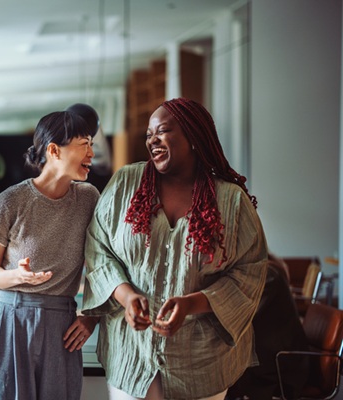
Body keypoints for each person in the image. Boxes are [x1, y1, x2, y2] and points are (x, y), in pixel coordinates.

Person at [82, 97, 268, 400]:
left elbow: (251, 272)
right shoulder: (125, 184)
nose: (152, 140)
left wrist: (192, 303)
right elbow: (97, 251)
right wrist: (127, 297)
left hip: (202, 360)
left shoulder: (231, 201)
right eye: (148, 135)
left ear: (193, 136)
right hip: (131, 352)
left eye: (163, 130)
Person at [0, 109, 101, 400]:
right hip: (11, 319)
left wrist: (91, 317)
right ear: (54, 150)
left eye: (91, 143)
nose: (92, 153)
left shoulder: (89, 198)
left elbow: (101, 262)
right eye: (84, 144)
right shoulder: (10, 201)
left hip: (63, 325)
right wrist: (16, 276)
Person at [226, 252, 309, 400]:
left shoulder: (267, 275)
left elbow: (240, 318)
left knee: (218, 371)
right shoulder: (260, 272)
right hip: (269, 355)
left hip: (280, 365)